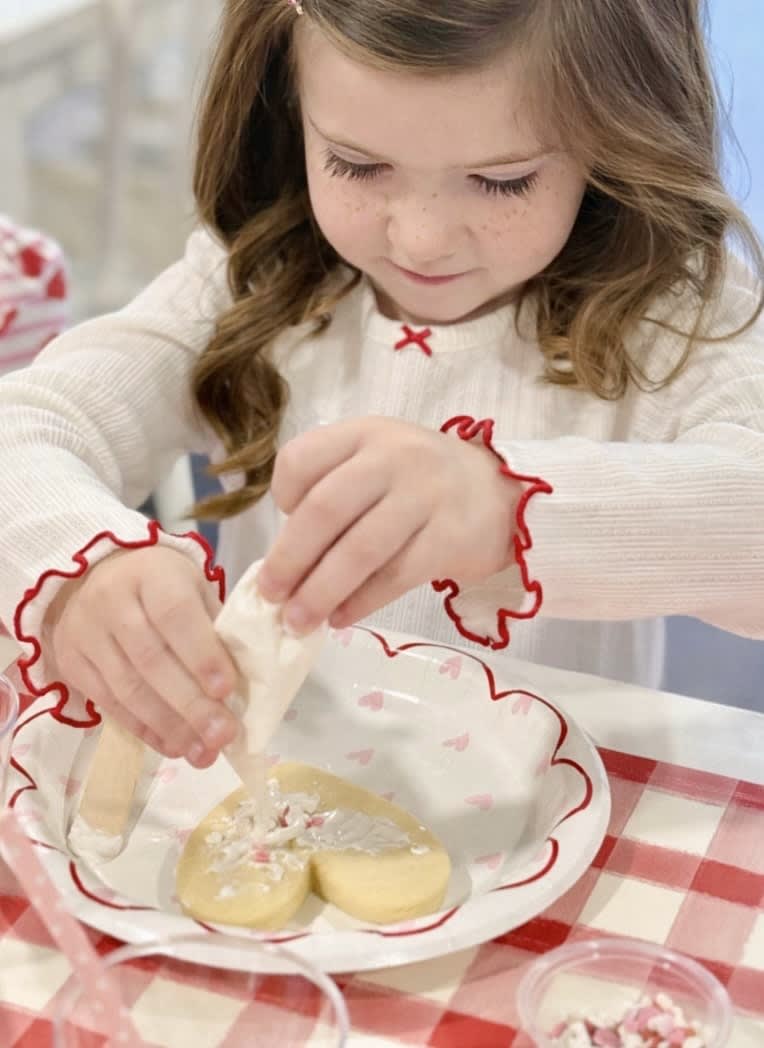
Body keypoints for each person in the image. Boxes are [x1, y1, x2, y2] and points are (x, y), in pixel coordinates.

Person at [0, 0, 762, 770]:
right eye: (357, 165)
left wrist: (508, 507)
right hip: (270, 789)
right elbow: (27, 425)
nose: (421, 238)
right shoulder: (248, 282)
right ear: (288, 108)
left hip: (546, 802)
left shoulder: (675, 316)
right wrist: (81, 565)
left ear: (614, 130)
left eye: (502, 181)